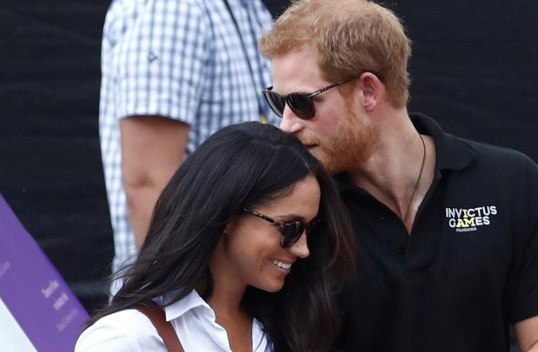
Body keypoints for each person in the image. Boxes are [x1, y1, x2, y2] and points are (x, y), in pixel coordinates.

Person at [259, 0, 538, 350]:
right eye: (278, 102)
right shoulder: (297, 209)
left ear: (368, 91)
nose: (286, 125)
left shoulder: (509, 182)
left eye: (301, 102)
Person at [76, 122, 355, 351]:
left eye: (310, 230)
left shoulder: (291, 329)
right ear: (228, 216)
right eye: (289, 228)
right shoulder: (128, 339)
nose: (303, 249)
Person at [99, 0, 277, 294]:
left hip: (229, 298)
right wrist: (184, 305)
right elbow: (147, 182)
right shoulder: (173, 3)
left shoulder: (247, 4)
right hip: (189, 302)